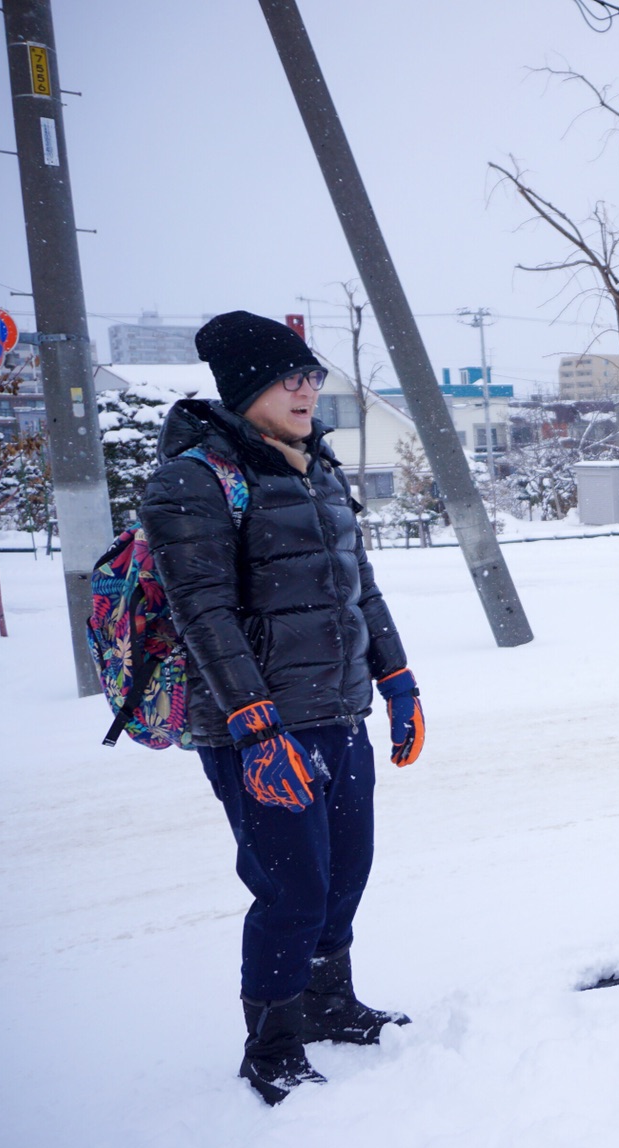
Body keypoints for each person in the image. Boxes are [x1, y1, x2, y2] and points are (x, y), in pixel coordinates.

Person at [141, 310, 426, 1104]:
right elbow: (204, 615)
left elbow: (358, 585)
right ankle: (271, 1046)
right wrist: (256, 727)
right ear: (246, 387)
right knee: (291, 887)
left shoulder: (317, 468)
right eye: (291, 377)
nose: (309, 390)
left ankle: (329, 1003)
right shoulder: (194, 480)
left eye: (313, 376)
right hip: (254, 728)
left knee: (345, 875)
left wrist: (396, 676)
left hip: (339, 711)